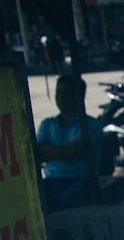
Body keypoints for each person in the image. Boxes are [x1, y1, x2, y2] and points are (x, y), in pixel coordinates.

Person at [36, 74, 107, 213]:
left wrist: (48, 151)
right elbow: (36, 154)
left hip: (80, 181)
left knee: (66, 203)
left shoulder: (90, 124)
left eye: (67, 94)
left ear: (80, 97)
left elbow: (73, 151)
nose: (61, 98)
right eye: (58, 93)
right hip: (51, 180)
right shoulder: (47, 124)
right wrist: (63, 151)